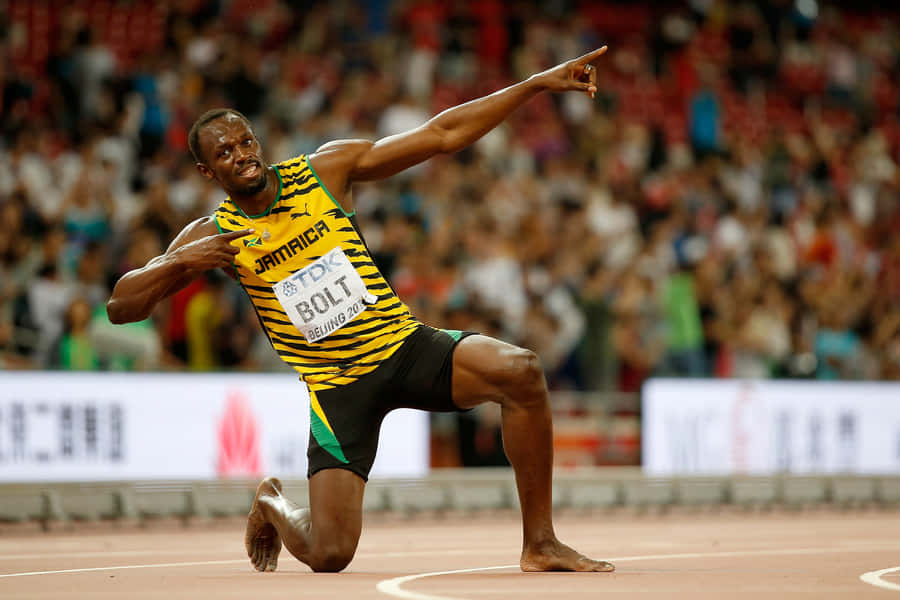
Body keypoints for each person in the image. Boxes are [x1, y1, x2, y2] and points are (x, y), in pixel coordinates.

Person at [107, 47, 614, 574]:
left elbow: (442, 135)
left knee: (521, 371)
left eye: (245, 141)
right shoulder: (213, 233)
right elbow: (121, 305)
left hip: (403, 346)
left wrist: (532, 84)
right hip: (336, 387)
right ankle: (272, 503)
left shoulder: (324, 171)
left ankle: (541, 543)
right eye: (225, 153)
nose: (241, 154)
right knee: (330, 554)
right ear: (206, 171)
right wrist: (182, 262)